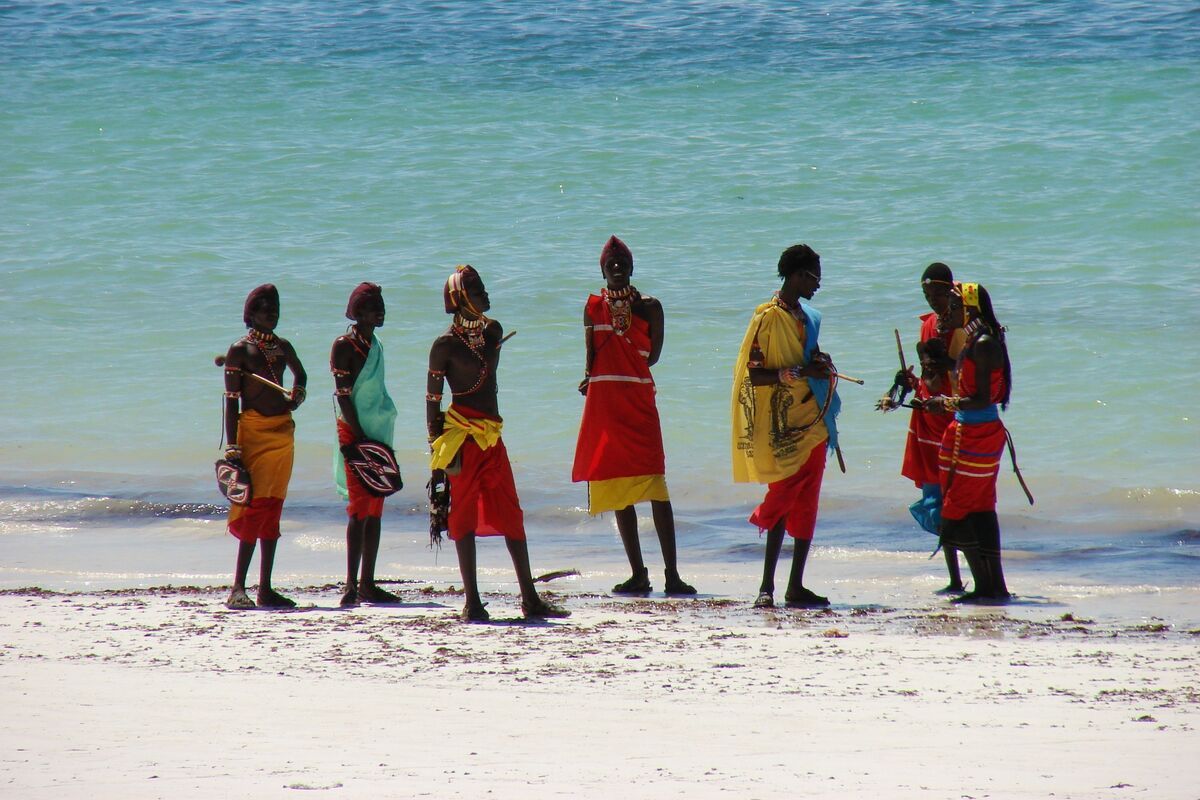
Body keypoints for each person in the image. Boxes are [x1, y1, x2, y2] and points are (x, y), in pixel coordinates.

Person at [427, 265, 570, 622]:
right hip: (462, 438)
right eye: (476, 289)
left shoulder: (493, 331)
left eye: (483, 287)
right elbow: (432, 402)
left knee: (511, 513)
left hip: (492, 436)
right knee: (462, 518)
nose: (485, 293)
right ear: (460, 299)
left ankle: (530, 598)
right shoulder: (444, 346)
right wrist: (438, 452)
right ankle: (472, 603)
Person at [572, 235, 696, 596]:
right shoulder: (593, 306)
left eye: (622, 264)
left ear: (631, 268)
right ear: (602, 270)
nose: (616, 269)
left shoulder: (650, 306)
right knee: (618, 488)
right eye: (610, 264)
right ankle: (638, 574)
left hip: (639, 400)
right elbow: (590, 357)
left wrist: (620, 366)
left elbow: (652, 356)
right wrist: (591, 380)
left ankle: (672, 575)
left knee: (656, 484)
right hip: (606, 404)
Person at [731, 244, 841, 609]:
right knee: (781, 500)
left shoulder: (805, 316)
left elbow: (811, 356)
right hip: (783, 428)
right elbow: (756, 375)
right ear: (796, 275)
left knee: (807, 503)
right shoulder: (766, 319)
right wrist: (799, 372)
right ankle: (766, 587)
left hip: (813, 423)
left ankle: (796, 586)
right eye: (814, 277)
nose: (818, 284)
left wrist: (820, 363)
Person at [913, 282, 1013, 604]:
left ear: (969, 309)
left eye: (956, 306)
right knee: (982, 509)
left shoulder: (982, 343)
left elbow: (980, 398)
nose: (949, 311)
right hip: (975, 431)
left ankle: (985, 586)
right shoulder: (977, 339)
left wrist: (945, 404)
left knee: (955, 510)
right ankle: (994, 586)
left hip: (975, 435)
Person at [221, 284, 307, 609]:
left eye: (276, 306)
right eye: (265, 307)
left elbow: (302, 375)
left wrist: (298, 394)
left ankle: (266, 588)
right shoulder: (239, 351)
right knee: (252, 506)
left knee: (273, 507)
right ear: (251, 313)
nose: (272, 312)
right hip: (254, 435)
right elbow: (231, 402)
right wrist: (233, 449)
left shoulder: (283, 346)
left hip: (282, 435)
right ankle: (238, 587)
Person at [890, 262, 969, 593]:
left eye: (937, 293)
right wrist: (903, 385)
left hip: (953, 418)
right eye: (926, 294)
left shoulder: (964, 329)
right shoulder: (928, 326)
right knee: (937, 501)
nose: (932, 300)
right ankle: (954, 578)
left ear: (951, 291)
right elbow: (927, 372)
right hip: (926, 418)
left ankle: (979, 572)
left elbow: (970, 375)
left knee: (959, 502)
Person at [331, 282, 400, 607]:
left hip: (378, 434)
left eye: (382, 305)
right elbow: (343, 396)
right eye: (374, 306)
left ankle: (368, 583)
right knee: (358, 511)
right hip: (356, 435)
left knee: (375, 510)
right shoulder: (344, 346)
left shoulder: (378, 345)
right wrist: (357, 439)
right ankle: (350, 586)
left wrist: (377, 439)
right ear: (357, 312)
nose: (380, 310)